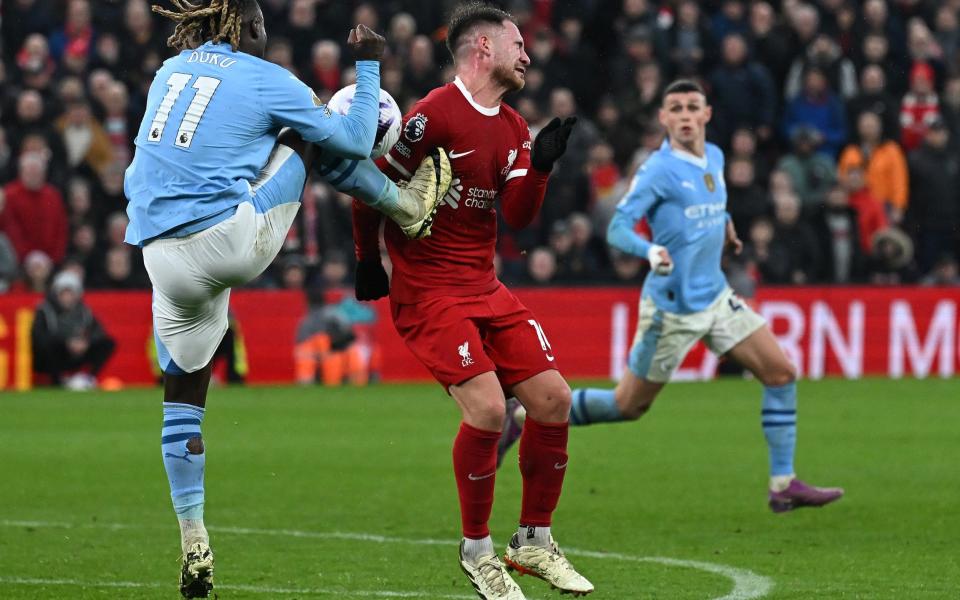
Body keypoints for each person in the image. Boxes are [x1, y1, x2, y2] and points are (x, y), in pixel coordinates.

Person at [124, 1, 450, 597]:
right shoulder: (266, 76)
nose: (266, 37)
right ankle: (407, 206)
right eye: (263, 29)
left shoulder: (167, 72)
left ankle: (193, 536)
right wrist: (368, 66)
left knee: (183, 394)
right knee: (313, 131)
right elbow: (353, 139)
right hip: (227, 241)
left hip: (159, 255)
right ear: (248, 29)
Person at [501, 80, 844, 515]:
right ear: (664, 118)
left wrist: (729, 229)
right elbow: (618, 227)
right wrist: (649, 250)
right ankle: (520, 418)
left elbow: (713, 203)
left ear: (706, 114)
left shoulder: (715, 156)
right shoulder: (658, 170)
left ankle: (783, 485)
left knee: (780, 372)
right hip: (670, 310)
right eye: (675, 108)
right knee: (627, 406)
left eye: (692, 107)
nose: (684, 114)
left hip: (716, 298)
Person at [351, 4, 591, 599]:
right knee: (487, 409)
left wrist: (540, 167)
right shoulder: (432, 115)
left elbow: (516, 218)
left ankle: (533, 540)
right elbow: (368, 189)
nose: (527, 55)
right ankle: (478, 550)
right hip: (429, 292)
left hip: (484, 286)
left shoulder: (511, 126)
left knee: (553, 399)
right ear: (483, 48)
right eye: (518, 44)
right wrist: (367, 260)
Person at [31, 270, 116, 389]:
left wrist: (86, 342)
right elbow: (38, 336)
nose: (67, 298)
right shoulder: (44, 310)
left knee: (108, 343)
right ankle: (57, 381)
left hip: (77, 352)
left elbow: (99, 332)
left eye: (70, 293)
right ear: (56, 294)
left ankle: (89, 378)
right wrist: (66, 342)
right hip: (54, 356)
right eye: (63, 293)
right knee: (49, 346)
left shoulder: (84, 311)